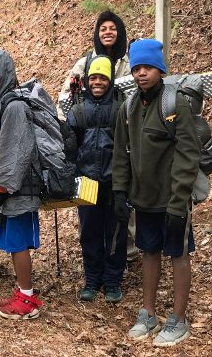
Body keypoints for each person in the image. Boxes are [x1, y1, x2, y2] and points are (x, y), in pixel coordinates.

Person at [112, 39, 200, 347]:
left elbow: (188, 155)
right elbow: (121, 154)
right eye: (136, 68)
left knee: (178, 253)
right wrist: (119, 191)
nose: (141, 73)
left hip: (173, 199)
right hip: (143, 199)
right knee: (149, 252)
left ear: (159, 70)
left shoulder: (176, 104)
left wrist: (179, 201)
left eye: (147, 67)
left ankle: (178, 319)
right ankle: (148, 313)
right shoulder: (128, 107)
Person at [57, 10, 137, 262]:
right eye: (103, 29)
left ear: (120, 32)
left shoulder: (130, 62)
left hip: (120, 135)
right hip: (89, 145)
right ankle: (95, 263)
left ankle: (123, 257)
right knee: (91, 215)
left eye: (112, 28)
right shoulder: (85, 62)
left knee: (121, 209)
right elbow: (65, 99)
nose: (108, 32)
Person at [0, 50, 44, 320]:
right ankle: (23, 292)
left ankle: (28, 299)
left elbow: (15, 151)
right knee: (14, 242)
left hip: (19, 189)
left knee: (18, 242)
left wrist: (0, 188)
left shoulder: (14, 107)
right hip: (4, 188)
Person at [65, 55, 126, 303]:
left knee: (115, 232)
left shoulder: (121, 108)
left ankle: (112, 281)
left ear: (110, 80)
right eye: (93, 78)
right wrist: (71, 175)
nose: (97, 82)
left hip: (114, 181)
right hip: (87, 181)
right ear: (87, 80)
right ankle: (92, 279)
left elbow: (128, 146)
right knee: (89, 231)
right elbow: (70, 147)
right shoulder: (78, 110)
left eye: (102, 78)